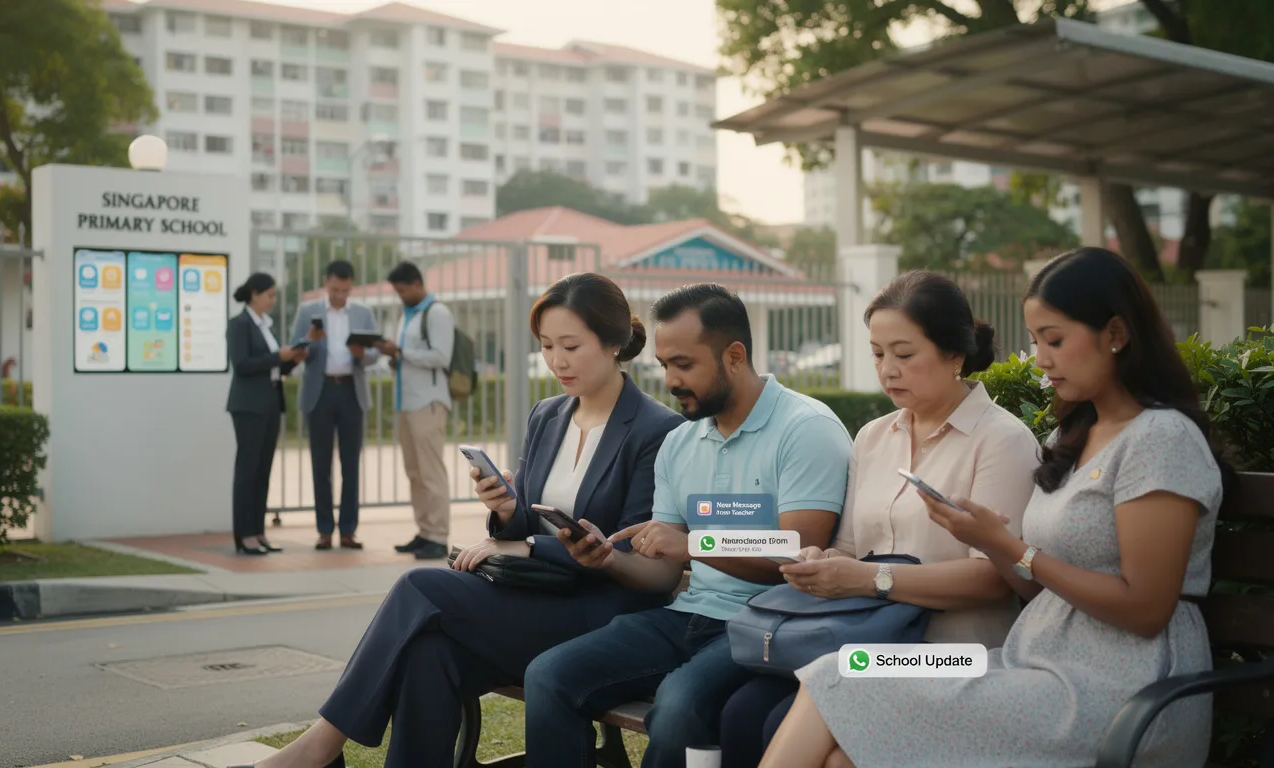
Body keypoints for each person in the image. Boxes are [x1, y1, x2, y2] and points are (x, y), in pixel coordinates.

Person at [761, 247, 1234, 768]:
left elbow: (1145, 610)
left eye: (1055, 340)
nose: (1041, 359)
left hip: (1112, 685)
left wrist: (1008, 547)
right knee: (840, 676)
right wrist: (995, 544)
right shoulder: (1072, 435)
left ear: (1117, 334)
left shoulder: (1160, 438)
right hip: (1025, 661)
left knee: (835, 679)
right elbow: (1032, 586)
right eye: (1036, 342)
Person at [243, 272, 683, 768]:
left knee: (420, 585)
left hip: (601, 617)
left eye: (571, 346)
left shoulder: (657, 430)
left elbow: (631, 551)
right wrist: (506, 511)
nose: (556, 361)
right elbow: (527, 523)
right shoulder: (548, 415)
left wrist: (526, 547)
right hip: (533, 601)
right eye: (546, 346)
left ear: (613, 343)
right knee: (429, 655)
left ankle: (319, 748)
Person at [521, 283, 854, 768]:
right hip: (688, 614)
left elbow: (796, 558)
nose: (671, 380)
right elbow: (660, 572)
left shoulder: (806, 430)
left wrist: (696, 542)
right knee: (548, 674)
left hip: (767, 622)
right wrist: (610, 559)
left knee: (678, 706)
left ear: (734, 356)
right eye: (663, 365)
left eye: (685, 364)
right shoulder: (681, 442)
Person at [717, 271, 1041, 768]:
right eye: (877, 353)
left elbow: (993, 579)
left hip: (955, 653)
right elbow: (849, 551)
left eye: (904, 354)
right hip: (864, 637)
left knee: (790, 727)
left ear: (955, 354)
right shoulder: (872, 437)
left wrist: (871, 579)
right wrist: (818, 561)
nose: (887, 369)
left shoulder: (1002, 441)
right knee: (742, 712)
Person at [291, 260, 381, 551]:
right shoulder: (308, 311)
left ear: (351, 286)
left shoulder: (363, 313)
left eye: (345, 289)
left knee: (351, 464)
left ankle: (348, 530)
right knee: (321, 464)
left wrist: (361, 354)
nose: (339, 295)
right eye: (334, 289)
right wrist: (309, 340)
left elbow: (374, 355)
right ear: (325, 283)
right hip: (320, 391)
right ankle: (324, 530)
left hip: (351, 391)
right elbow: (295, 350)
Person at [376, 261, 455, 561]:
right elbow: (409, 357)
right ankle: (424, 532)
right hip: (406, 402)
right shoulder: (407, 315)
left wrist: (401, 352)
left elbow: (440, 356)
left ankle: (438, 535)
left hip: (428, 402)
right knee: (414, 472)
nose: (400, 296)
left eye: (403, 290)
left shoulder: (437, 313)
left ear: (417, 284)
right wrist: (395, 358)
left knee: (431, 471)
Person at [226, 273, 305, 555]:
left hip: (271, 402)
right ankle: (244, 534)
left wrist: (291, 360)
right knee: (247, 470)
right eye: (269, 295)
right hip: (248, 406)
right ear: (254, 294)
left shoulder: (266, 326)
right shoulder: (240, 324)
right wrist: (278, 357)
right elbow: (243, 364)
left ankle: (258, 532)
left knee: (263, 471)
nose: (273, 300)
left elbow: (274, 367)